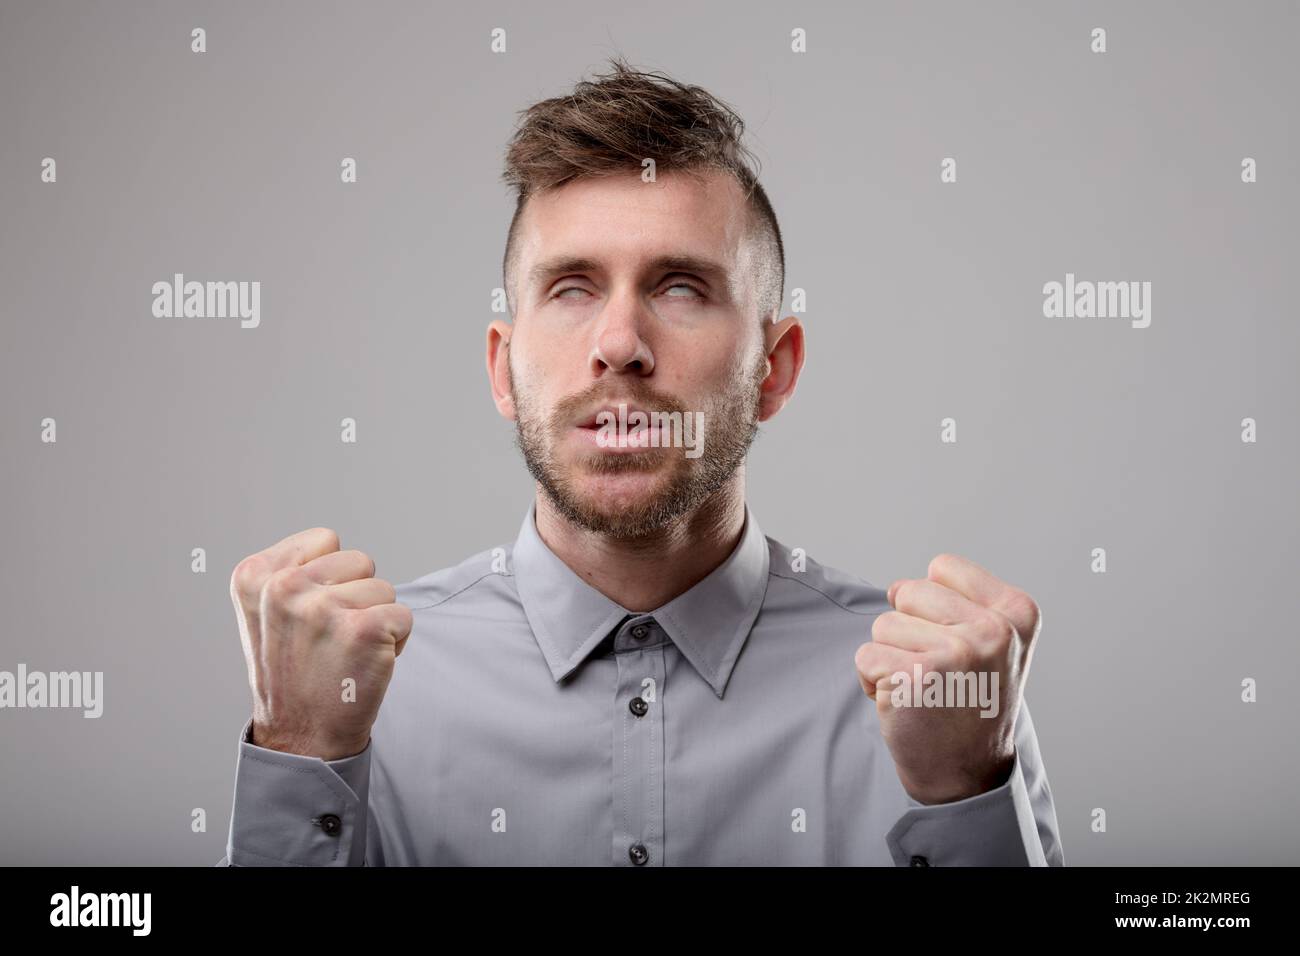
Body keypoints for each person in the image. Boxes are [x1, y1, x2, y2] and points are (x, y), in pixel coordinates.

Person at [218, 57, 1063, 867]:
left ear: (773, 369)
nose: (620, 343)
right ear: (503, 371)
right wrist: (300, 754)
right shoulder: (356, 687)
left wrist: (962, 798)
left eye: (680, 287)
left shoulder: (939, 693)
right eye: (572, 288)